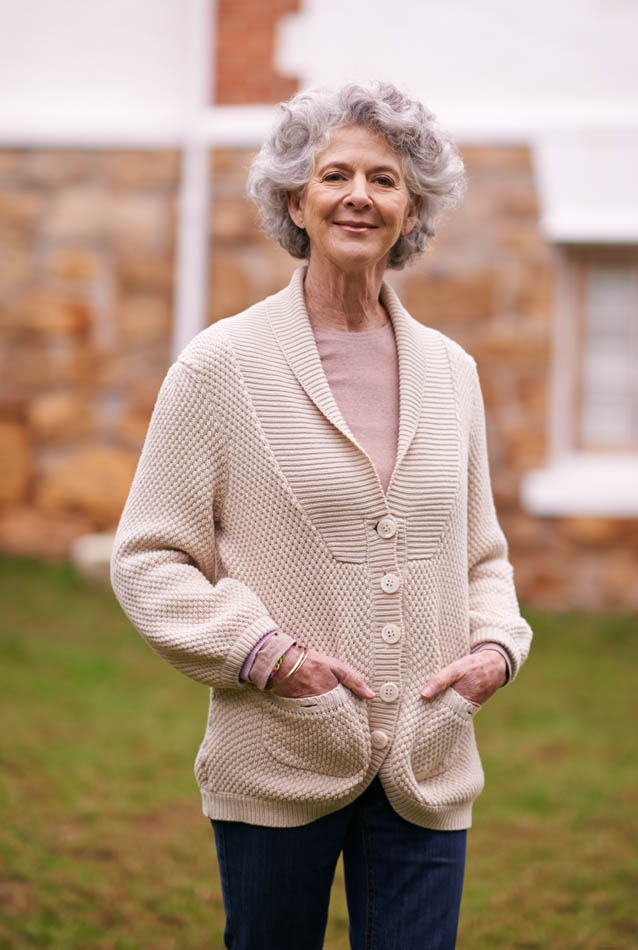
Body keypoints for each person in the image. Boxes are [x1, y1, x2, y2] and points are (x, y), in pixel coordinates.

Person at [110, 80, 533, 950]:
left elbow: (481, 555)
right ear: (296, 201)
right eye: (334, 175)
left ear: (411, 207)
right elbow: (149, 557)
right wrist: (270, 658)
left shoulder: (453, 371)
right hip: (279, 755)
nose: (358, 196)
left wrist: (496, 649)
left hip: (428, 754)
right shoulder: (220, 365)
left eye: (384, 179)